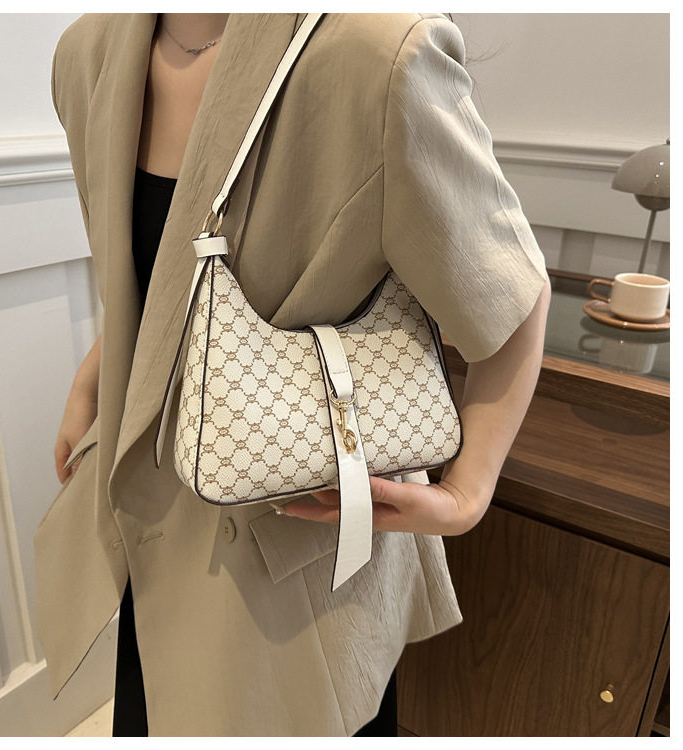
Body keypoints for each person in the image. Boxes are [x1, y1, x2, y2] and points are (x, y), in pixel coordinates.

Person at [38, 12, 551, 737]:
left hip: (293, 568)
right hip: (149, 540)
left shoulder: (378, 52)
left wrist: (468, 492)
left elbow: (512, 298)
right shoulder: (87, 54)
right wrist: (98, 372)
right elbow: (162, 267)